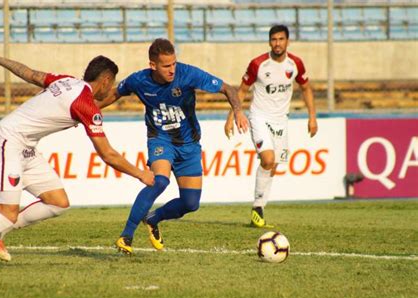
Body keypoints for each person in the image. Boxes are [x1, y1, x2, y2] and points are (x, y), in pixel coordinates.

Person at [0, 36, 154, 274]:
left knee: (57, 202)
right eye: (111, 83)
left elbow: (29, 73)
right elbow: (107, 154)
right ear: (106, 80)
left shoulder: (67, 82)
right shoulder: (85, 103)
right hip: (7, 140)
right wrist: (140, 174)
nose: (110, 89)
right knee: (6, 214)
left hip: (25, 146)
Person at [98, 38, 249, 254]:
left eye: (174, 64)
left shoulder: (188, 74)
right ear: (153, 65)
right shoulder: (138, 80)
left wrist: (238, 111)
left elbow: (228, 89)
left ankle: (153, 218)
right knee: (159, 181)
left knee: (190, 204)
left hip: (189, 144)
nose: (172, 70)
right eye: (166, 66)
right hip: (160, 139)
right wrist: (89, 109)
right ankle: (126, 236)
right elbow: (114, 94)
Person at [224, 25, 318, 227]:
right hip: (259, 117)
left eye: (281, 39)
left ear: (287, 41)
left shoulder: (295, 64)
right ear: (269, 42)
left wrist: (312, 117)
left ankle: (260, 208)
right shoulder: (258, 64)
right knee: (268, 158)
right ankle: (258, 208)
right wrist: (231, 116)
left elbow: (306, 89)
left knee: (273, 165)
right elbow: (241, 91)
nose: (277, 43)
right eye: (274, 39)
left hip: (281, 120)